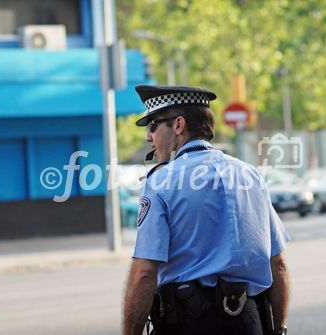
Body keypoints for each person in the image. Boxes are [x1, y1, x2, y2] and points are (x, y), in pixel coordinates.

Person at [123, 85, 291, 335]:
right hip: (249, 321)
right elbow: (278, 266)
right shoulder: (250, 175)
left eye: (153, 125)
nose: (149, 137)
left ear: (178, 125)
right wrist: (278, 330)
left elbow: (145, 273)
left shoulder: (160, 182)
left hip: (188, 324)